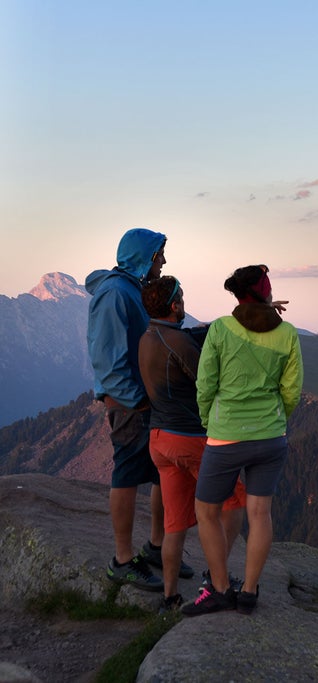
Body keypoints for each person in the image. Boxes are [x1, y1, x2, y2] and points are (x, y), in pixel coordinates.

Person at [182, 265, 303, 616]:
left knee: (206, 512)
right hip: (271, 436)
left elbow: (205, 385)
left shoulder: (220, 329)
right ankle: (249, 592)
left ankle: (220, 588)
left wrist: (210, 422)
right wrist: (276, 419)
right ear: (266, 294)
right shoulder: (288, 334)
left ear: (237, 295)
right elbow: (291, 390)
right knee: (260, 513)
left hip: (225, 437)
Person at [138, 276, 248, 612]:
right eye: (182, 298)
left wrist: (245, 317)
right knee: (235, 503)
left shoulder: (148, 336)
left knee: (175, 524)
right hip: (191, 440)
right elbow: (209, 382)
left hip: (159, 441)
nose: (184, 302)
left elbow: (191, 334)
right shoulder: (179, 343)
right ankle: (217, 579)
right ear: (174, 305)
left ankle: (170, 597)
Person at [86, 228, 169, 591]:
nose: (164, 262)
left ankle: (155, 547)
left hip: (143, 399)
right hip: (131, 402)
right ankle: (122, 559)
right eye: (160, 256)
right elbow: (108, 359)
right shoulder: (115, 293)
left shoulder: (128, 289)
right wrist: (135, 399)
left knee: (160, 473)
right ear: (146, 257)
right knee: (126, 473)